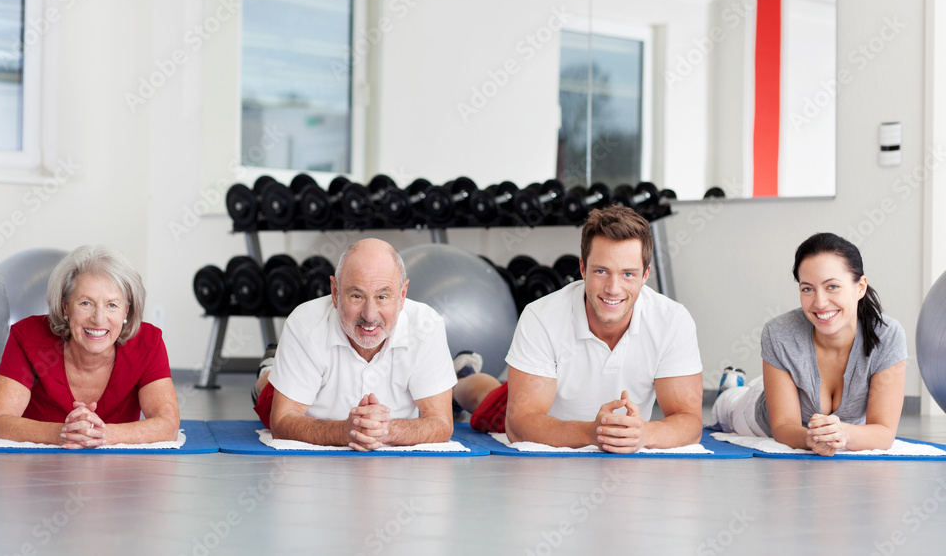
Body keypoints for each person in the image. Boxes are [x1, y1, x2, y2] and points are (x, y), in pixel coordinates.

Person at [455, 206, 704, 452]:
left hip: (581, 420)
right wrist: (593, 433)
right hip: (544, 412)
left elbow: (690, 421)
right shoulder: (541, 317)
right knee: (482, 398)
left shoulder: (672, 320)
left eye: (628, 274)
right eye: (601, 271)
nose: (613, 288)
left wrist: (645, 433)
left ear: (645, 275)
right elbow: (519, 425)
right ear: (583, 269)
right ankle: (460, 378)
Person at [710, 232, 907, 456]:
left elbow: (884, 432)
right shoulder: (779, 333)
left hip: (820, 417)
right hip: (755, 413)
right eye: (807, 289)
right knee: (727, 407)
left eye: (832, 286)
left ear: (860, 287)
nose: (820, 303)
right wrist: (810, 439)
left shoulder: (888, 336)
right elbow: (783, 426)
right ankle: (729, 389)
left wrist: (845, 434)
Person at [252, 238, 456, 450]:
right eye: (357, 296)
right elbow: (281, 422)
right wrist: (344, 431)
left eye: (382, 297)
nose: (369, 316)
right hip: (305, 403)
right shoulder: (303, 323)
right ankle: (268, 367)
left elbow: (441, 424)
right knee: (269, 389)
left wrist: (387, 430)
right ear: (335, 292)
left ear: (402, 295)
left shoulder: (427, 325)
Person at [0, 246, 179, 448]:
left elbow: (168, 425)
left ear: (126, 312)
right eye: (86, 303)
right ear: (65, 307)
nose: (98, 319)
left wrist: (104, 434)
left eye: (112, 305)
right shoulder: (26, 337)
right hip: (34, 469)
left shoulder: (148, 342)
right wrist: (61, 433)